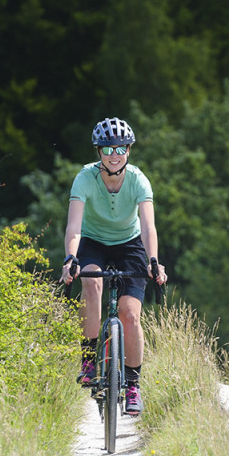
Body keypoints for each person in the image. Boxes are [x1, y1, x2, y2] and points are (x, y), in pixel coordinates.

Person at [61, 117, 167, 416]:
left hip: (130, 244)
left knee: (130, 314)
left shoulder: (138, 179)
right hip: (93, 241)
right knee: (91, 283)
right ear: (99, 152)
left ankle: (133, 385)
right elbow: (74, 227)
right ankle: (88, 358)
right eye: (107, 148)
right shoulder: (85, 178)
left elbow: (148, 228)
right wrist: (71, 258)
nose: (114, 153)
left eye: (120, 147)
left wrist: (153, 261)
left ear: (129, 149)